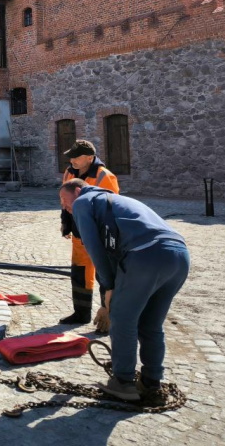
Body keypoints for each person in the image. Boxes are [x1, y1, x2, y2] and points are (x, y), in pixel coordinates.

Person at [59, 178, 190, 402]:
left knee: (122, 319)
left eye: (64, 199)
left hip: (146, 255)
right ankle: (151, 382)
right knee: (150, 324)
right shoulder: (117, 200)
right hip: (179, 256)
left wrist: (108, 288)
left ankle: (123, 382)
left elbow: (95, 250)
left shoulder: (83, 202)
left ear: (78, 190)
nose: (64, 206)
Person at [58, 140, 119, 327]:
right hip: (79, 235)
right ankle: (81, 314)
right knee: (79, 273)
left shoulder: (105, 177)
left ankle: (108, 316)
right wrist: (65, 225)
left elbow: (111, 209)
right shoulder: (69, 173)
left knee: (105, 275)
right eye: (71, 156)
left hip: (99, 237)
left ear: (90, 158)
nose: (72, 160)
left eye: (76, 157)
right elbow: (65, 201)